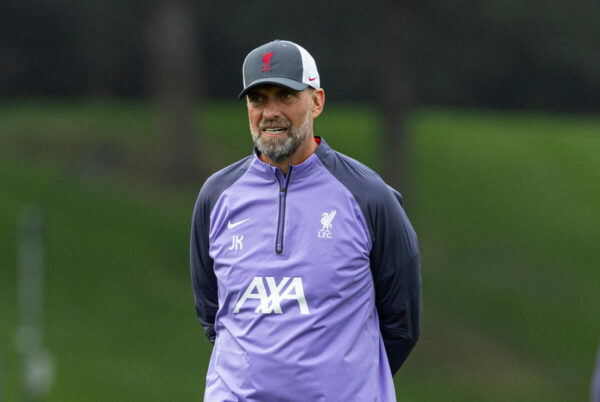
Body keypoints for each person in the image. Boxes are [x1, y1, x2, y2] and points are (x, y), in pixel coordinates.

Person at [190, 39, 421, 401]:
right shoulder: (216, 196)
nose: (270, 112)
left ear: (316, 101)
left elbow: (402, 324)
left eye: (285, 95)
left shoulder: (369, 197)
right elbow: (212, 314)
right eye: (258, 99)